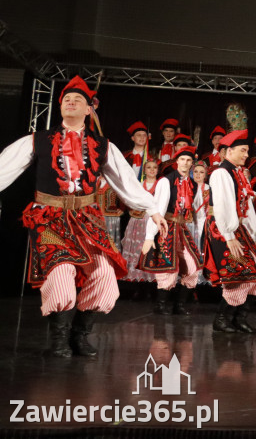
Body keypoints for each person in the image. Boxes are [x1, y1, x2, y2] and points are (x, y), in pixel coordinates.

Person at [0, 76, 164, 357]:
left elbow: (126, 181)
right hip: (49, 217)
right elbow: (5, 167)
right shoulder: (37, 140)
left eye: (78, 100)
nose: (71, 102)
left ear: (89, 109)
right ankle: (59, 340)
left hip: (88, 218)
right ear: (60, 107)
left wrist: (152, 208)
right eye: (66, 99)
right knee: (62, 275)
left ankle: (79, 334)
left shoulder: (103, 146)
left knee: (104, 277)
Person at [204, 127, 256, 335]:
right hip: (222, 228)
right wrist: (229, 236)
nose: (247, 154)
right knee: (240, 274)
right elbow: (222, 206)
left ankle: (239, 318)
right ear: (229, 151)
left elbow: (244, 206)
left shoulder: (237, 173)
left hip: (237, 228)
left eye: (247, 151)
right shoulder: (222, 173)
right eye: (243, 150)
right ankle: (222, 319)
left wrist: (250, 231)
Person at [140, 145, 203, 316]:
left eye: (189, 160)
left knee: (193, 267)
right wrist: (149, 235)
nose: (185, 163)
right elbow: (157, 210)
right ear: (177, 161)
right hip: (166, 226)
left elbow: (196, 210)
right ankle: (160, 305)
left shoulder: (193, 185)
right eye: (182, 159)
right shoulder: (166, 181)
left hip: (182, 228)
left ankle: (179, 305)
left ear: (192, 163)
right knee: (168, 268)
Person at [122, 159, 161, 285]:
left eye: (154, 167)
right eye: (149, 167)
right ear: (144, 170)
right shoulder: (139, 185)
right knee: (136, 251)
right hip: (138, 221)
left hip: (152, 222)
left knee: (151, 252)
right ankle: (136, 281)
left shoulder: (160, 186)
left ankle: (151, 281)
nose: (151, 170)